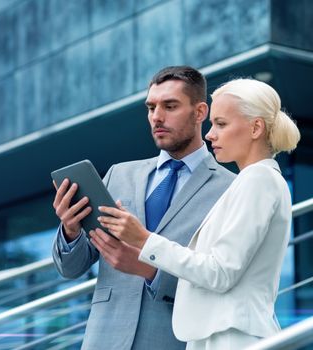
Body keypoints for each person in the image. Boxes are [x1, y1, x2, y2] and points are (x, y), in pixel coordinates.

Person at [95, 78, 301, 349]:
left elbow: (219, 272)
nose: (209, 134)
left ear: (255, 128)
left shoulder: (258, 180)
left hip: (231, 337)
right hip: (216, 334)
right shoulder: (253, 181)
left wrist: (145, 240)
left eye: (221, 124)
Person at [52, 66, 235, 349]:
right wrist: (70, 229)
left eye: (170, 106)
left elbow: (221, 283)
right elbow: (70, 269)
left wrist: (150, 271)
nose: (156, 117)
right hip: (104, 340)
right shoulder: (118, 175)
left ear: (200, 113)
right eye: (151, 108)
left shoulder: (230, 190)